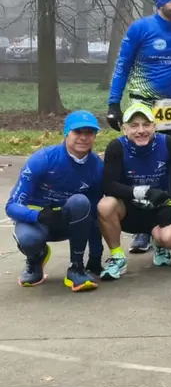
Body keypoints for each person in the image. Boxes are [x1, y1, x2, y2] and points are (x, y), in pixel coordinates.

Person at [107, 0, 171, 253]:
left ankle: (163, 217)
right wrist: (113, 102)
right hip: (143, 104)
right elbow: (122, 65)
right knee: (142, 161)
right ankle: (142, 227)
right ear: (161, 4)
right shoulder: (141, 28)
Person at [7, 111, 104, 291]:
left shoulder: (97, 167)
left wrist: (96, 256)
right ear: (66, 133)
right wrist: (37, 216)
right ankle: (36, 258)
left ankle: (76, 268)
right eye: (78, 132)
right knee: (28, 240)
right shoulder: (42, 159)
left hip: (68, 221)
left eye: (89, 132)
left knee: (81, 202)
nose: (83, 137)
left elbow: (94, 214)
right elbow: (11, 206)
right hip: (37, 221)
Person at [97, 103, 171, 279]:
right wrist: (142, 192)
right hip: (129, 210)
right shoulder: (116, 147)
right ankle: (117, 257)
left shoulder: (168, 143)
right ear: (124, 129)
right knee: (105, 205)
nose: (141, 130)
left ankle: (159, 246)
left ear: (154, 126)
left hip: (160, 209)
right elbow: (109, 185)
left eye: (146, 125)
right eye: (134, 126)